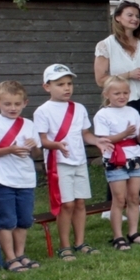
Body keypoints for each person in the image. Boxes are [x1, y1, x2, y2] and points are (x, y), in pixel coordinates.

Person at [0, 80, 43, 269]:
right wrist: (9, 150)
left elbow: (37, 155)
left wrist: (34, 147)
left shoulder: (28, 124)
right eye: (7, 104)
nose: (13, 108)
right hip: (2, 178)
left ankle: (21, 254)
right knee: (6, 220)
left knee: (24, 219)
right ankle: (10, 257)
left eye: (17, 104)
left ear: (25, 103)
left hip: (25, 178)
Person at [36, 64, 101, 255]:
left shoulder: (78, 108)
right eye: (60, 84)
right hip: (59, 164)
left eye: (69, 83)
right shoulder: (43, 111)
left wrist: (98, 141)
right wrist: (56, 145)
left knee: (80, 203)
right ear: (47, 87)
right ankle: (64, 246)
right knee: (67, 204)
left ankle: (80, 242)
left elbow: (85, 133)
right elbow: (42, 139)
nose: (66, 88)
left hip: (79, 161)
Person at [93, 1, 140, 192]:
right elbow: (100, 79)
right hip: (118, 105)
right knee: (117, 149)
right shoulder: (106, 45)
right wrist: (129, 74)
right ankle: (113, 202)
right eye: (130, 15)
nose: (135, 19)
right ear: (118, 17)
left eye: (137, 16)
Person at [93, 77, 140, 250]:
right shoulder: (102, 114)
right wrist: (124, 133)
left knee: (134, 197)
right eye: (117, 93)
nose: (122, 96)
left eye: (125, 93)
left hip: (135, 157)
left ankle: (133, 233)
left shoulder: (132, 111)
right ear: (107, 94)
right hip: (115, 157)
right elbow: (104, 139)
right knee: (119, 199)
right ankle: (118, 236)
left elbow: (139, 137)